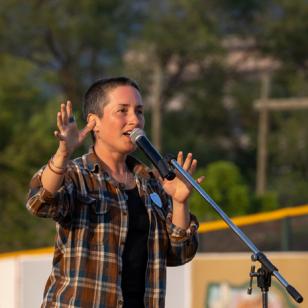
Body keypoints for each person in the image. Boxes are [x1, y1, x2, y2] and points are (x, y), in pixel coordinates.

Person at [26, 76, 204, 308]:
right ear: (94, 123)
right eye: (123, 111)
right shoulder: (77, 174)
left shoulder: (151, 183)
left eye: (139, 112)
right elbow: (39, 202)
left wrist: (180, 202)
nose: (134, 120)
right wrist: (62, 154)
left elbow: (180, 254)